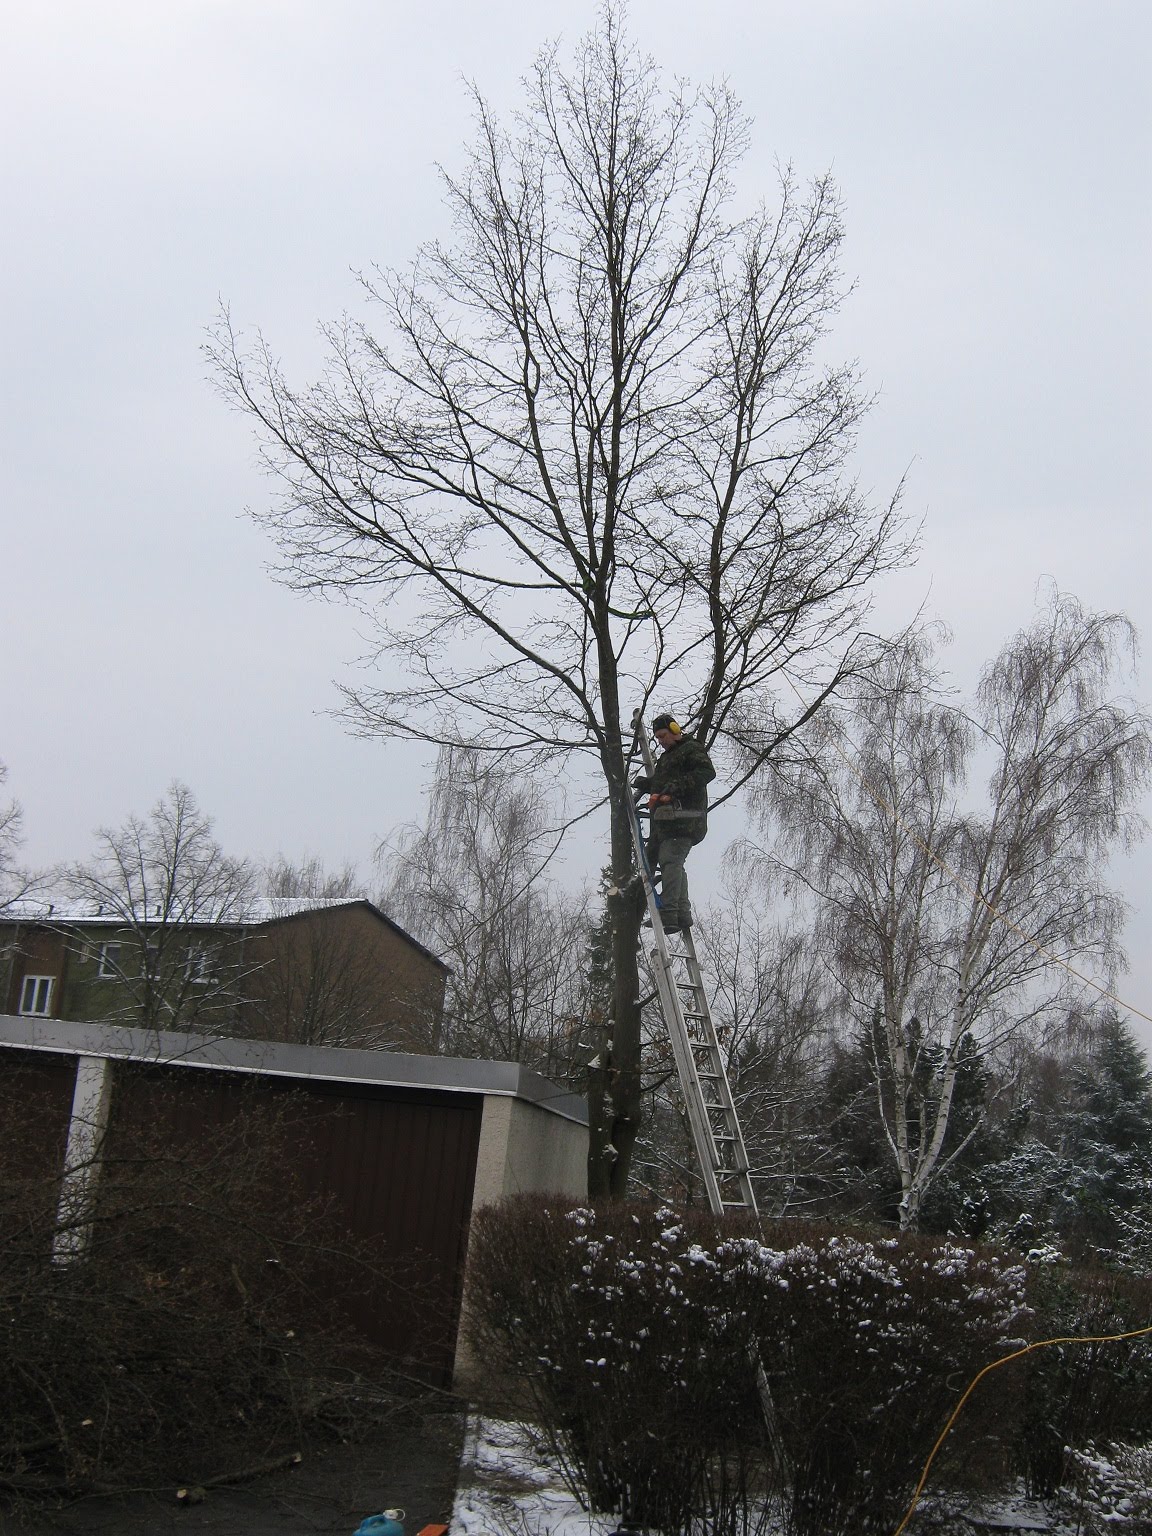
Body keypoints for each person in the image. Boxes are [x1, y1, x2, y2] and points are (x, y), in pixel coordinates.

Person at [633, 712, 716, 934]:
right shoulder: (666, 758)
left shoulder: (691, 749)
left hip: (686, 820)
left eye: (663, 735)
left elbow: (706, 772)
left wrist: (675, 789)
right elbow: (663, 784)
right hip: (667, 823)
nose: (661, 741)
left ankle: (669, 913)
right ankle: (682, 913)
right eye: (657, 738)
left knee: (670, 860)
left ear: (675, 730)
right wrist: (650, 785)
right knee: (673, 863)